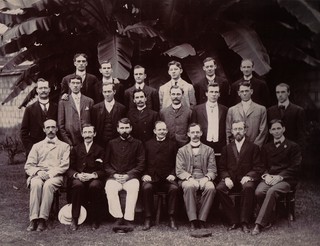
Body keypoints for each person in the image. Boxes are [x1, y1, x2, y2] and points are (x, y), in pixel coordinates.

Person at [252, 119, 301, 235]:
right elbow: (261, 165)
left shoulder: (293, 146)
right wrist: (266, 175)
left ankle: (259, 224)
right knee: (259, 192)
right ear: (269, 131)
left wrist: (280, 177)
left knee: (271, 191)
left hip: (286, 179)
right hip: (270, 178)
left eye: (279, 128)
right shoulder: (266, 147)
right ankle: (271, 214)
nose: (276, 131)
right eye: (273, 129)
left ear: (283, 129)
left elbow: (296, 167)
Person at [216, 120, 263, 233]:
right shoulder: (226, 148)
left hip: (246, 179)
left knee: (248, 187)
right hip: (231, 179)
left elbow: (259, 167)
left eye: (240, 129)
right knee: (219, 189)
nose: (238, 132)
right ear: (232, 131)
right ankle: (234, 219)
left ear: (245, 131)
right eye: (235, 129)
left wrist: (249, 176)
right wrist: (226, 177)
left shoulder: (253, 147)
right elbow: (221, 167)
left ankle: (244, 222)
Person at [25, 119, 70, 232]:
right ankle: (33, 218)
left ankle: (42, 219)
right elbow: (29, 165)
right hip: (39, 174)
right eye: (48, 127)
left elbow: (64, 165)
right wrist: (38, 172)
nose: (50, 130)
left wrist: (49, 174)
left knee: (48, 185)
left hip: (55, 176)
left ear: (57, 129)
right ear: (44, 130)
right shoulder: (37, 146)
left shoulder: (65, 146)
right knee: (35, 184)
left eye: (53, 127)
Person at [104, 118, 145, 231]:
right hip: (115, 177)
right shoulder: (111, 143)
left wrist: (129, 175)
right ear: (117, 129)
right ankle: (118, 217)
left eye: (127, 127)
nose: (124, 130)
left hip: (130, 178)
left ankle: (128, 219)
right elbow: (106, 164)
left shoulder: (138, 143)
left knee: (133, 187)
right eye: (122, 128)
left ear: (131, 128)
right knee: (109, 187)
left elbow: (141, 164)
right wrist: (114, 174)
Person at [176, 123, 217, 230]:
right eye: (192, 132)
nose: (195, 135)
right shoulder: (182, 150)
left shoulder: (209, 150)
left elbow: (213, 170)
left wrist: (206, 178)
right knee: (189, 187)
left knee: (211, 187)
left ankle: (202, 219)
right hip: (187, 178)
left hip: (204, 177)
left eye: (197, 132)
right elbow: (179, 170)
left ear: (201, 133)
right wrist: (189, 178)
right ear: (188, 134)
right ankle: (193, 220)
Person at [67, 124, 106, 231]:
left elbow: (103, 170)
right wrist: (77, 175)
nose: (87, 135)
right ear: (82, 134)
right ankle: (75, 218)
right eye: (85, 132)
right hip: (79, 178)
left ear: (94, 134)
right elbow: (69, 168)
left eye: (90, 132)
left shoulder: (100, 149)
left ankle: (94, 219)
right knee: (77, 185)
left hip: (93, 178)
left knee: (95, 185)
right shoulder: (75, 149)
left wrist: (92, 175)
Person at [141, 121, 179, 231]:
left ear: (167, 131)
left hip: (167, 180)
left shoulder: (173, 144)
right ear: (154, 131)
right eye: (159, 130)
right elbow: (142, 162)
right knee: (146, 187)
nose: (161, 132)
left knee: (174, 188)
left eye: (163, 130)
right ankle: (148, 218)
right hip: (152, 179)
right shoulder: (147, 144)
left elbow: (178, 162)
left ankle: (172, 217)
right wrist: (145, 175)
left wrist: (173, 174)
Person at [20, 78, 58, 155]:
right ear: (37, 90)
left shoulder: (56, 107)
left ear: (49, 89)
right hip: (36, 150)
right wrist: (32, 149)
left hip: (54, 149)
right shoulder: (29, 109)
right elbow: (23, 132)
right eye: (40, 88)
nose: (43, 90)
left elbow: (60, 128)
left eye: (45, 88)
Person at [226, 81, 267, 147]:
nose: (244, 93)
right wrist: (232, 147)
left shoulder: (261, 109)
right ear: (239, 93)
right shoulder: (232, 110)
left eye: (247, 91)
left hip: (255, 147)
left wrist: (255, 147)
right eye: (242, 91)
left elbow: (263, 131)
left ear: (251, 91)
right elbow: (228, 131)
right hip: (237, 147)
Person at [58, 75, 94, 147]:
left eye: (77, 83)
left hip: (86, 140)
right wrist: (68, 142)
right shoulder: (64, 102)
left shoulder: (89, 101)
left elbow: (93, 121)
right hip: (71, 140)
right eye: (73, 83)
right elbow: (60, 125)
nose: (75, 85)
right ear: (69, 85)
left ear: (81, 85)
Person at [192, 83, 228, 154]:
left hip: (219, 144)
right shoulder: (197, 109)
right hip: (203, 143)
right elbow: (193, 127)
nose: (214, 94)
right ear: (206, 93)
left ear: (219, 94)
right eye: (211, 92)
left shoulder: (225, 109)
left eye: (216, 92)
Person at [267, 83, 306, 148]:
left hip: (292, 150)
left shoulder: (298, 111)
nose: (280, 95)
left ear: (288, 93)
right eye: (277, 92)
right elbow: (268, 133)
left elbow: (301, 135)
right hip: (274, 149)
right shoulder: (270, 111)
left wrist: (297, 151)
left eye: (283, 92)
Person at [91, 83, 126, 148]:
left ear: (114, 92)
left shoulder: (122, 108)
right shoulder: (96, 108)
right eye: (105, 92)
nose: (107, 94)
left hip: (116, 143)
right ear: (102, 92)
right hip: (100, 143)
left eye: (109, 91)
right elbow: (94, 126)